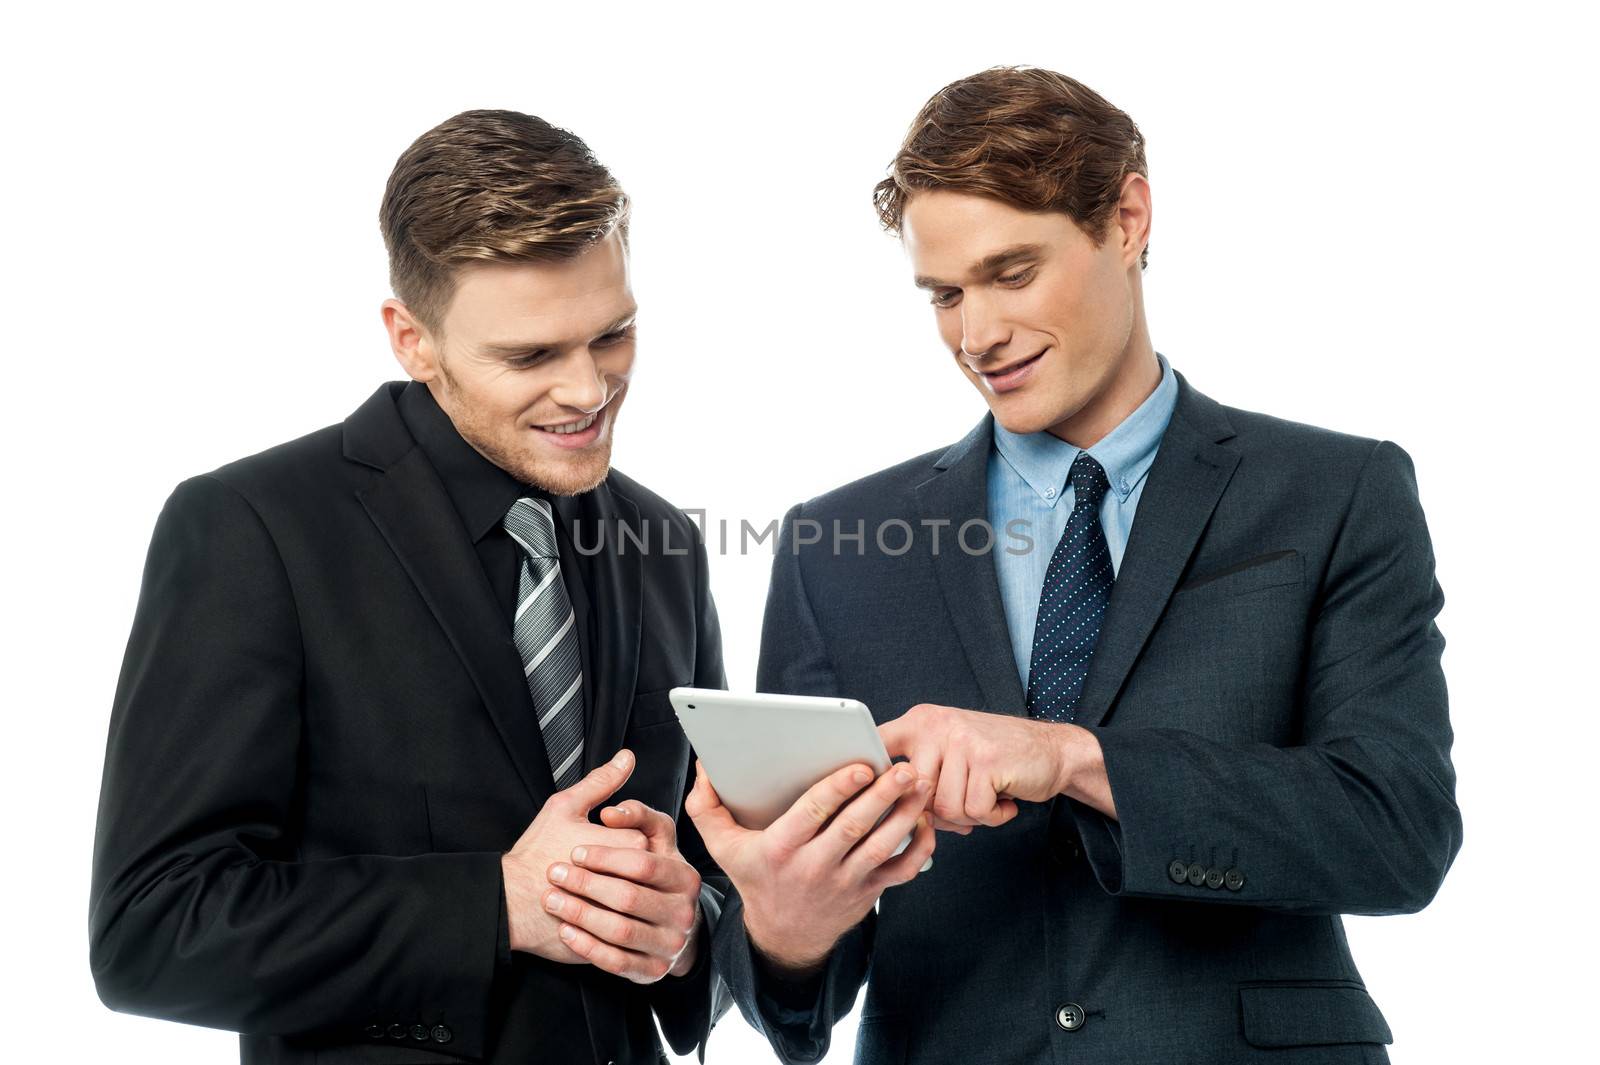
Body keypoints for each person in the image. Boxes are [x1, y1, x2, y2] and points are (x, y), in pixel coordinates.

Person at [689, 67, 1462, 1064]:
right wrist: (786, 925)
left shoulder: (1333, 494)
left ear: (1128, 218)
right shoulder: (833, 545)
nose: (978, 335)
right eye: (945, 295)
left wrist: (1072, 760)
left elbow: (1393, 835)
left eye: (1013, 274)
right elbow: (796, 1003)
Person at [89, 109, 730, 1065]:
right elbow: (150, 928)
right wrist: (493, 907)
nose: (589, 388)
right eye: (530, 356)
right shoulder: (254, 529)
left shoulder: (663, 542)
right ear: (411, 339)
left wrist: (688, 937)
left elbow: (708, 876)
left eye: (613, 334)